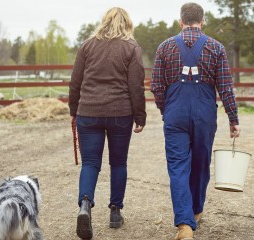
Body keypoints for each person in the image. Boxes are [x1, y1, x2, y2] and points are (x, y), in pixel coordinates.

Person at [151, 2, 241, 239]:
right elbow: (226, 88)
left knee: (178, 168)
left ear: (180, 22)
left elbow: (157, 87)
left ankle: (184, 225)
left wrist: (166, 110)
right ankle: (196, 211)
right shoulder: (216, 48)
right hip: (204, 114)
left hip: (175, 113)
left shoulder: (164, 47)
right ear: (203, 22)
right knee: (200, 164)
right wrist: (233, 118)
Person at [68, 7, 146, 240]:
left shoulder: (87, 46)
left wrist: (74, 110)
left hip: (88, 112)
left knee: (90, 163)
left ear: (104, 22)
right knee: (118, 162)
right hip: (120, 113)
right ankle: (115, 212)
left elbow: (75, 82)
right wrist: (140, 116)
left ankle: (84, 204)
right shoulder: (132, 48)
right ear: (127, 24)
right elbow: (136, 86)